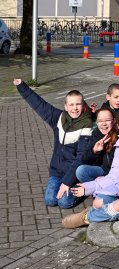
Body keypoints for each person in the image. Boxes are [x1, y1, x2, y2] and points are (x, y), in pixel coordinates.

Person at [13, 78, 93, 208]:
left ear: (83, 105)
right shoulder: (59, 118)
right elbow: (40, 105)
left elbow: (80, 158)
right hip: (57, 172)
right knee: (50, 200)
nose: (75, 108)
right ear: (65, 106)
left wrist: (67, 182)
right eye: (71, 105)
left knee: (64, 202)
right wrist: (22, 87)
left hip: (74, 175)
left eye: (78, 104)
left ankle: (85, 189)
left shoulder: (87, 125)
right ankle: (62, 186)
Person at [75, 108, 118, 182]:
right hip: (103, 169)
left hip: (116, 174)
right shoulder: (96, 134)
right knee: (81, 171)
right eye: (100, 121)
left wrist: (105, 178)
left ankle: (100, 188)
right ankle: (98, 187)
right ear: (97, 123)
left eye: (107, 120)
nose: (104, 124)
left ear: (113, 121)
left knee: (102, 193)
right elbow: (85, 160)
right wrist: (94, 151)